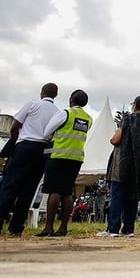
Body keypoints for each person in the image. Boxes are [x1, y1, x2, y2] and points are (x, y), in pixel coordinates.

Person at [0, 83, 59, 237]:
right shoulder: (57, 112)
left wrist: (16, 142)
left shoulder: (32, 104)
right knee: (28, 190)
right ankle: (16, 227)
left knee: (10, 186)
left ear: (42, 92)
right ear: (55, 95)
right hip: (41, 150)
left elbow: (15, 125)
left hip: (24, 146)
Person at [36, 89, 92, 237]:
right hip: (76, 158)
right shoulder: (88, 118)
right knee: (67, 192)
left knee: (54, 191)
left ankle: (48, 227)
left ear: (71, 100)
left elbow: (47, 132)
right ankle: (63, 227)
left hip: (58, 155)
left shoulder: (65, 113)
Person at [98, 95, 140, 238]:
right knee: (132, 198)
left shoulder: (128, 119)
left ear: (135, 105)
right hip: (138, 167)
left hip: (122, 165)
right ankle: (129, 229)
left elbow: (115, 140)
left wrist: (114, 136)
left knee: (117, 197)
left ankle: (113, 229)